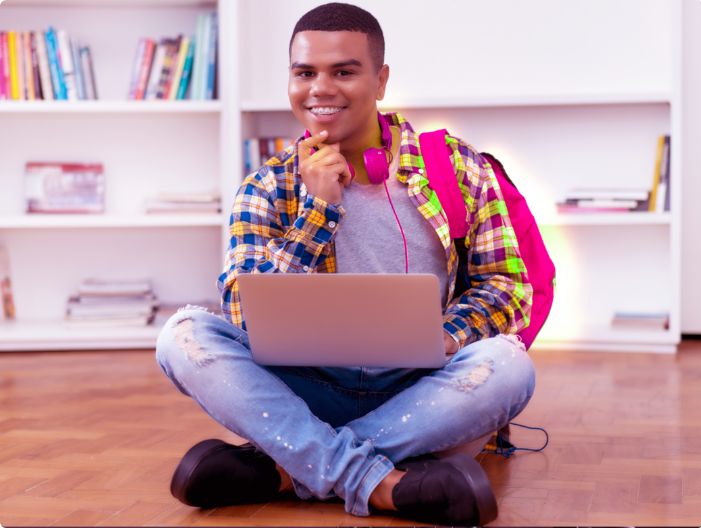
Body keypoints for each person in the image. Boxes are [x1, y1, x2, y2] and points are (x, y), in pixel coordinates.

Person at [156, 3, 535, 525]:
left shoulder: (456, 167)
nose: (320, 89)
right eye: (305, 72)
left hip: (420, 389)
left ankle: (290, 469)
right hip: (305, 388)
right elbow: (245, 313)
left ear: (380, 81)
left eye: (344, 71)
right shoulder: (266, 186)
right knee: (182, 335)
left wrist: (442, 336)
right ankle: (381, 483)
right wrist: (318, 211)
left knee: (511, 366)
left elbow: (507, 287)